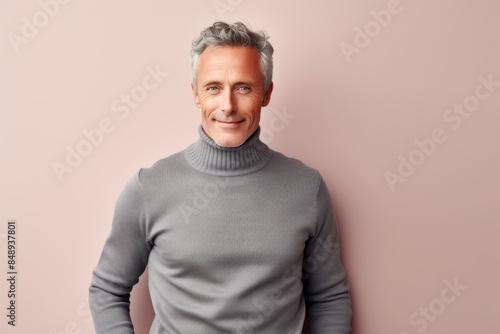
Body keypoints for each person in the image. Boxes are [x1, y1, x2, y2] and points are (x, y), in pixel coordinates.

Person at [89, 21, 352, 334]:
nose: (228, 106)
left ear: (266, 94)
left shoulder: (307, 188)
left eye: (243, 87)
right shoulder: (150, 188)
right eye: (213, 88)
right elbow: (107, 289)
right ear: (196, 95)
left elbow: (329, 296)